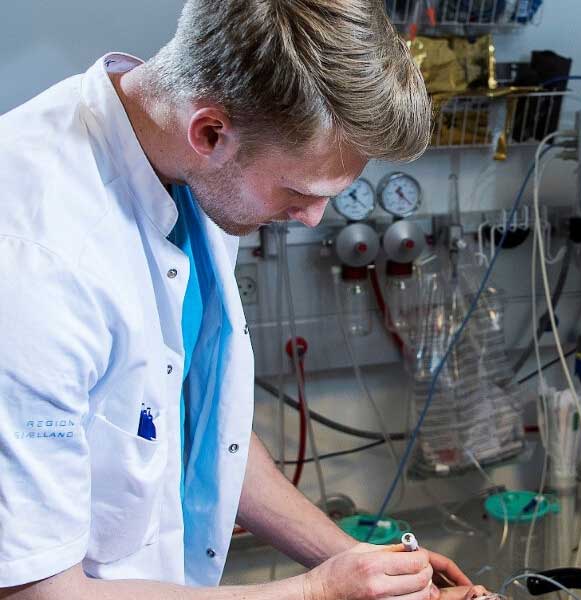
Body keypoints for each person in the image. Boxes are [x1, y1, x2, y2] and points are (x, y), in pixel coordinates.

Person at [0, 1, 488, 599]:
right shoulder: (36, 261)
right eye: (300, 191)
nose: (312, 218)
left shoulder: (185, 172)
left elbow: (204, 430)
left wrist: (364, 564)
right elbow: (39, 593)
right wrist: (319, 592)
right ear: (210, 131)